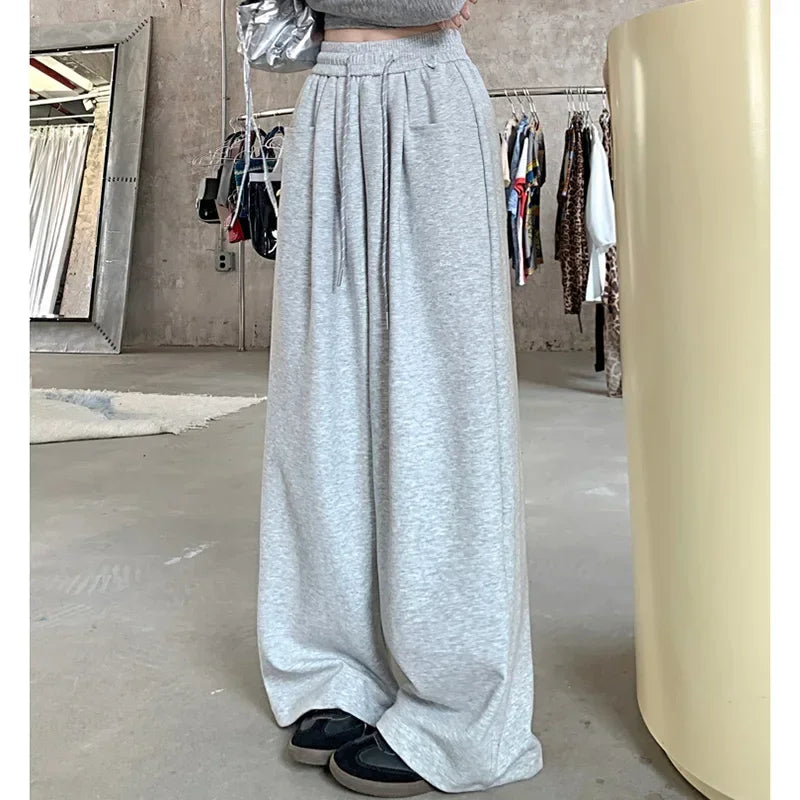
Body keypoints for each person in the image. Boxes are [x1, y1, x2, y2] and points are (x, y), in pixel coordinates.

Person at [257, 1, 543, 795]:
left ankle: (463, 709)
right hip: (328, 94)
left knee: (440, 413)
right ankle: (336, 667)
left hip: (425, 94)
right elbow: (263, 29)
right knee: (319, 412)